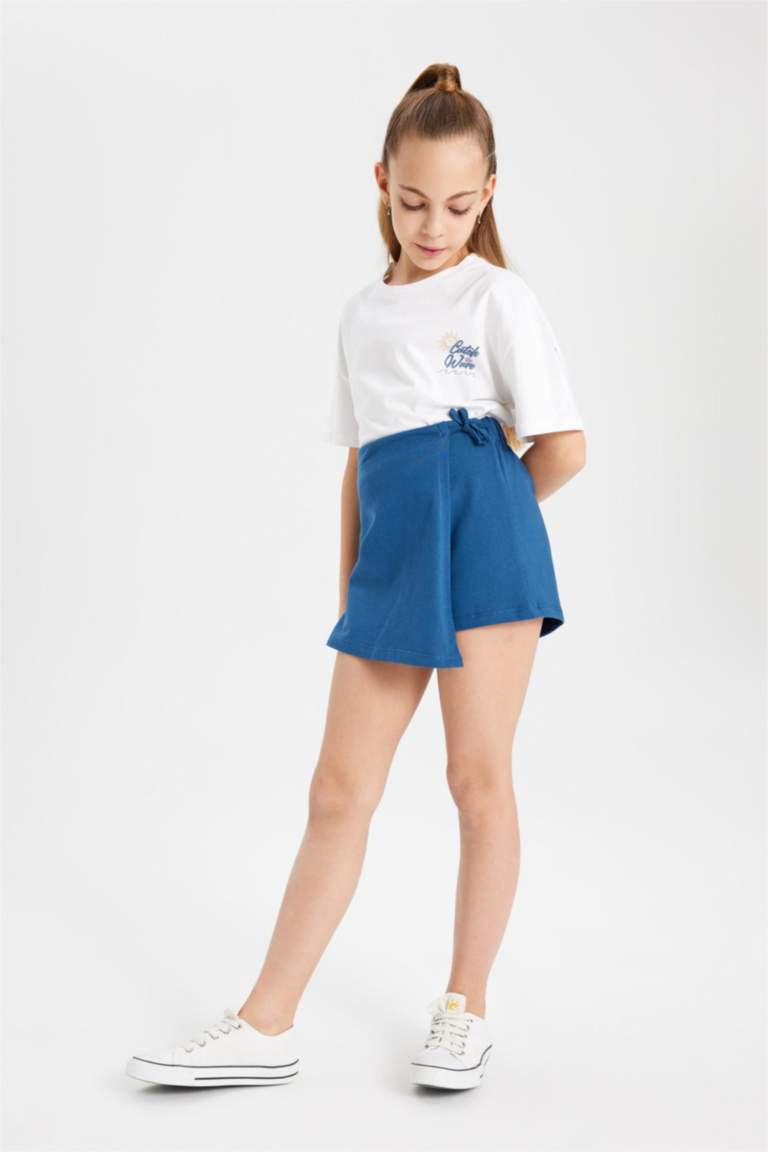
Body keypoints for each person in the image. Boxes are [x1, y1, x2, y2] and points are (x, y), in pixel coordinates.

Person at [126, 61, 587, 1094]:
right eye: (414, 201)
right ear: (381, 181)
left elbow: (563, 447)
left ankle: (465, 1009)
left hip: (488, 545)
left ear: (489, 194)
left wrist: (488, 522)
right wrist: (355, 591)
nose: (435, 225)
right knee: (337, 789)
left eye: (459, 205)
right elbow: (361, 464)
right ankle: (266, 1024)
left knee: (476, 779)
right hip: (393, 561)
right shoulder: (363, 314)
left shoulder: (499, 297)